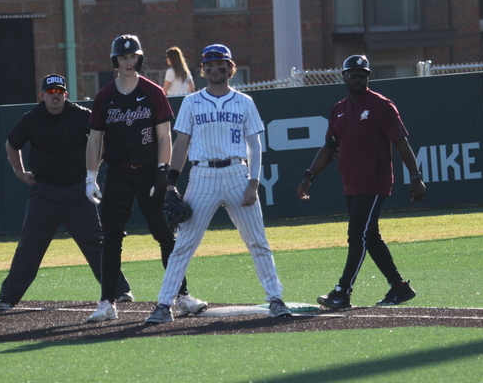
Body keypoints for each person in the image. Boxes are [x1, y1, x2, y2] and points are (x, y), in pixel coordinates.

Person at [144, 44, 292, 325]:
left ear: (230, 68)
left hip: (237, 172)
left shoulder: (244, 102)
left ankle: (275, 299)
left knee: (257, 241)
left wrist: (254, 182)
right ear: (203, 69)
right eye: (209, 65)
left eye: (220, 64)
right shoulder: (192, 102)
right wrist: (172, 182)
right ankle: (164, 305)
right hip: (202, 175)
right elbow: (182, 143)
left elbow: (255, 145)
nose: (214, 69)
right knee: (184, 244)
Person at [85, 35, 207, 322]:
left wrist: (163, 171)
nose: (129, 62)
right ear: (115, 61)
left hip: (150, 172)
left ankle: (182, 296)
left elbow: (165, 135)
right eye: (123, 58)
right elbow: (94, 141)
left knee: (165, 235)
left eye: (133, 57)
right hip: (117, 173)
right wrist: (90, 177)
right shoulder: (104, 97)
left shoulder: (153, 92)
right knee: (111, 237)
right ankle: (107, 302)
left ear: (139, 59)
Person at [296, 55, 426, 309]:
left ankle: (342, 291)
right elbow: (329, 147)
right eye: (353, 75)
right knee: (370, 236)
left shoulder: (381, 105)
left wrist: (416, 177)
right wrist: (309, 177)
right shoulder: (339, 109)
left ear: (369, 76)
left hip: (374, 181)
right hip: (351, 181)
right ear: (343, 76)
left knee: (357, 234)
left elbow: (401, 142)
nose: (359, 79)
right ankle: (399, 287)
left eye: (363, 74)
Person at [0, 74, 131, 310]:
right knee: (30, 246)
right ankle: (7, 298)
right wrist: (20, 172)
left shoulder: (82, 115)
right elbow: (12, 143)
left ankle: (120, 290)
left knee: (96, 243)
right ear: (42, 95)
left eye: (59, 92)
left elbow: (101, 140)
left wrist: (92, 173)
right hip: (44, 193)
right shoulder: (32, 119)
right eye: (51, 92)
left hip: (77, 191)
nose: (55, 97)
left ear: (66, 94)